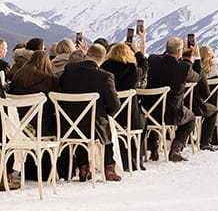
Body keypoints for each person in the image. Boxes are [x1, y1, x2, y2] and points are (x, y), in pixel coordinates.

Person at [59, 44, 122, 181]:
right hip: (94, 128)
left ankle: (84, 167)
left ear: (86, 55)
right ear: (103, 59)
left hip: (67, 126)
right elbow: (115, 106)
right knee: (105, 124)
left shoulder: (69, 69)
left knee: (82, 122)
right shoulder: (106, 76)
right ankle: (108, 168)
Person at [146, 37, 207, 160]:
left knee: (155, 111)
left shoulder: (152, 60)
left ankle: (153, 148)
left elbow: (163, 59)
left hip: (148, 112)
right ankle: (175, 150)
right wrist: (196, 56)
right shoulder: (183, 67)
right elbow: (197, 77)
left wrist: (177, 49)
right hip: (171, 114)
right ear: (180, 51)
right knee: (191, 119)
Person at [9, 50, 60, 181]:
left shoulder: (18, 76)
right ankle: (49, 170)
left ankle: (27, 169)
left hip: (18, 127)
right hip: (42, 126)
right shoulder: (50, 79)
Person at [101, 41, 148, 169]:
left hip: (110, 116)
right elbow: (144, 67)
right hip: (130, 116)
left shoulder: (104, 68)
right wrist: (138, 51)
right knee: (144, 123)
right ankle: (136, 157)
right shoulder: (132, 69)